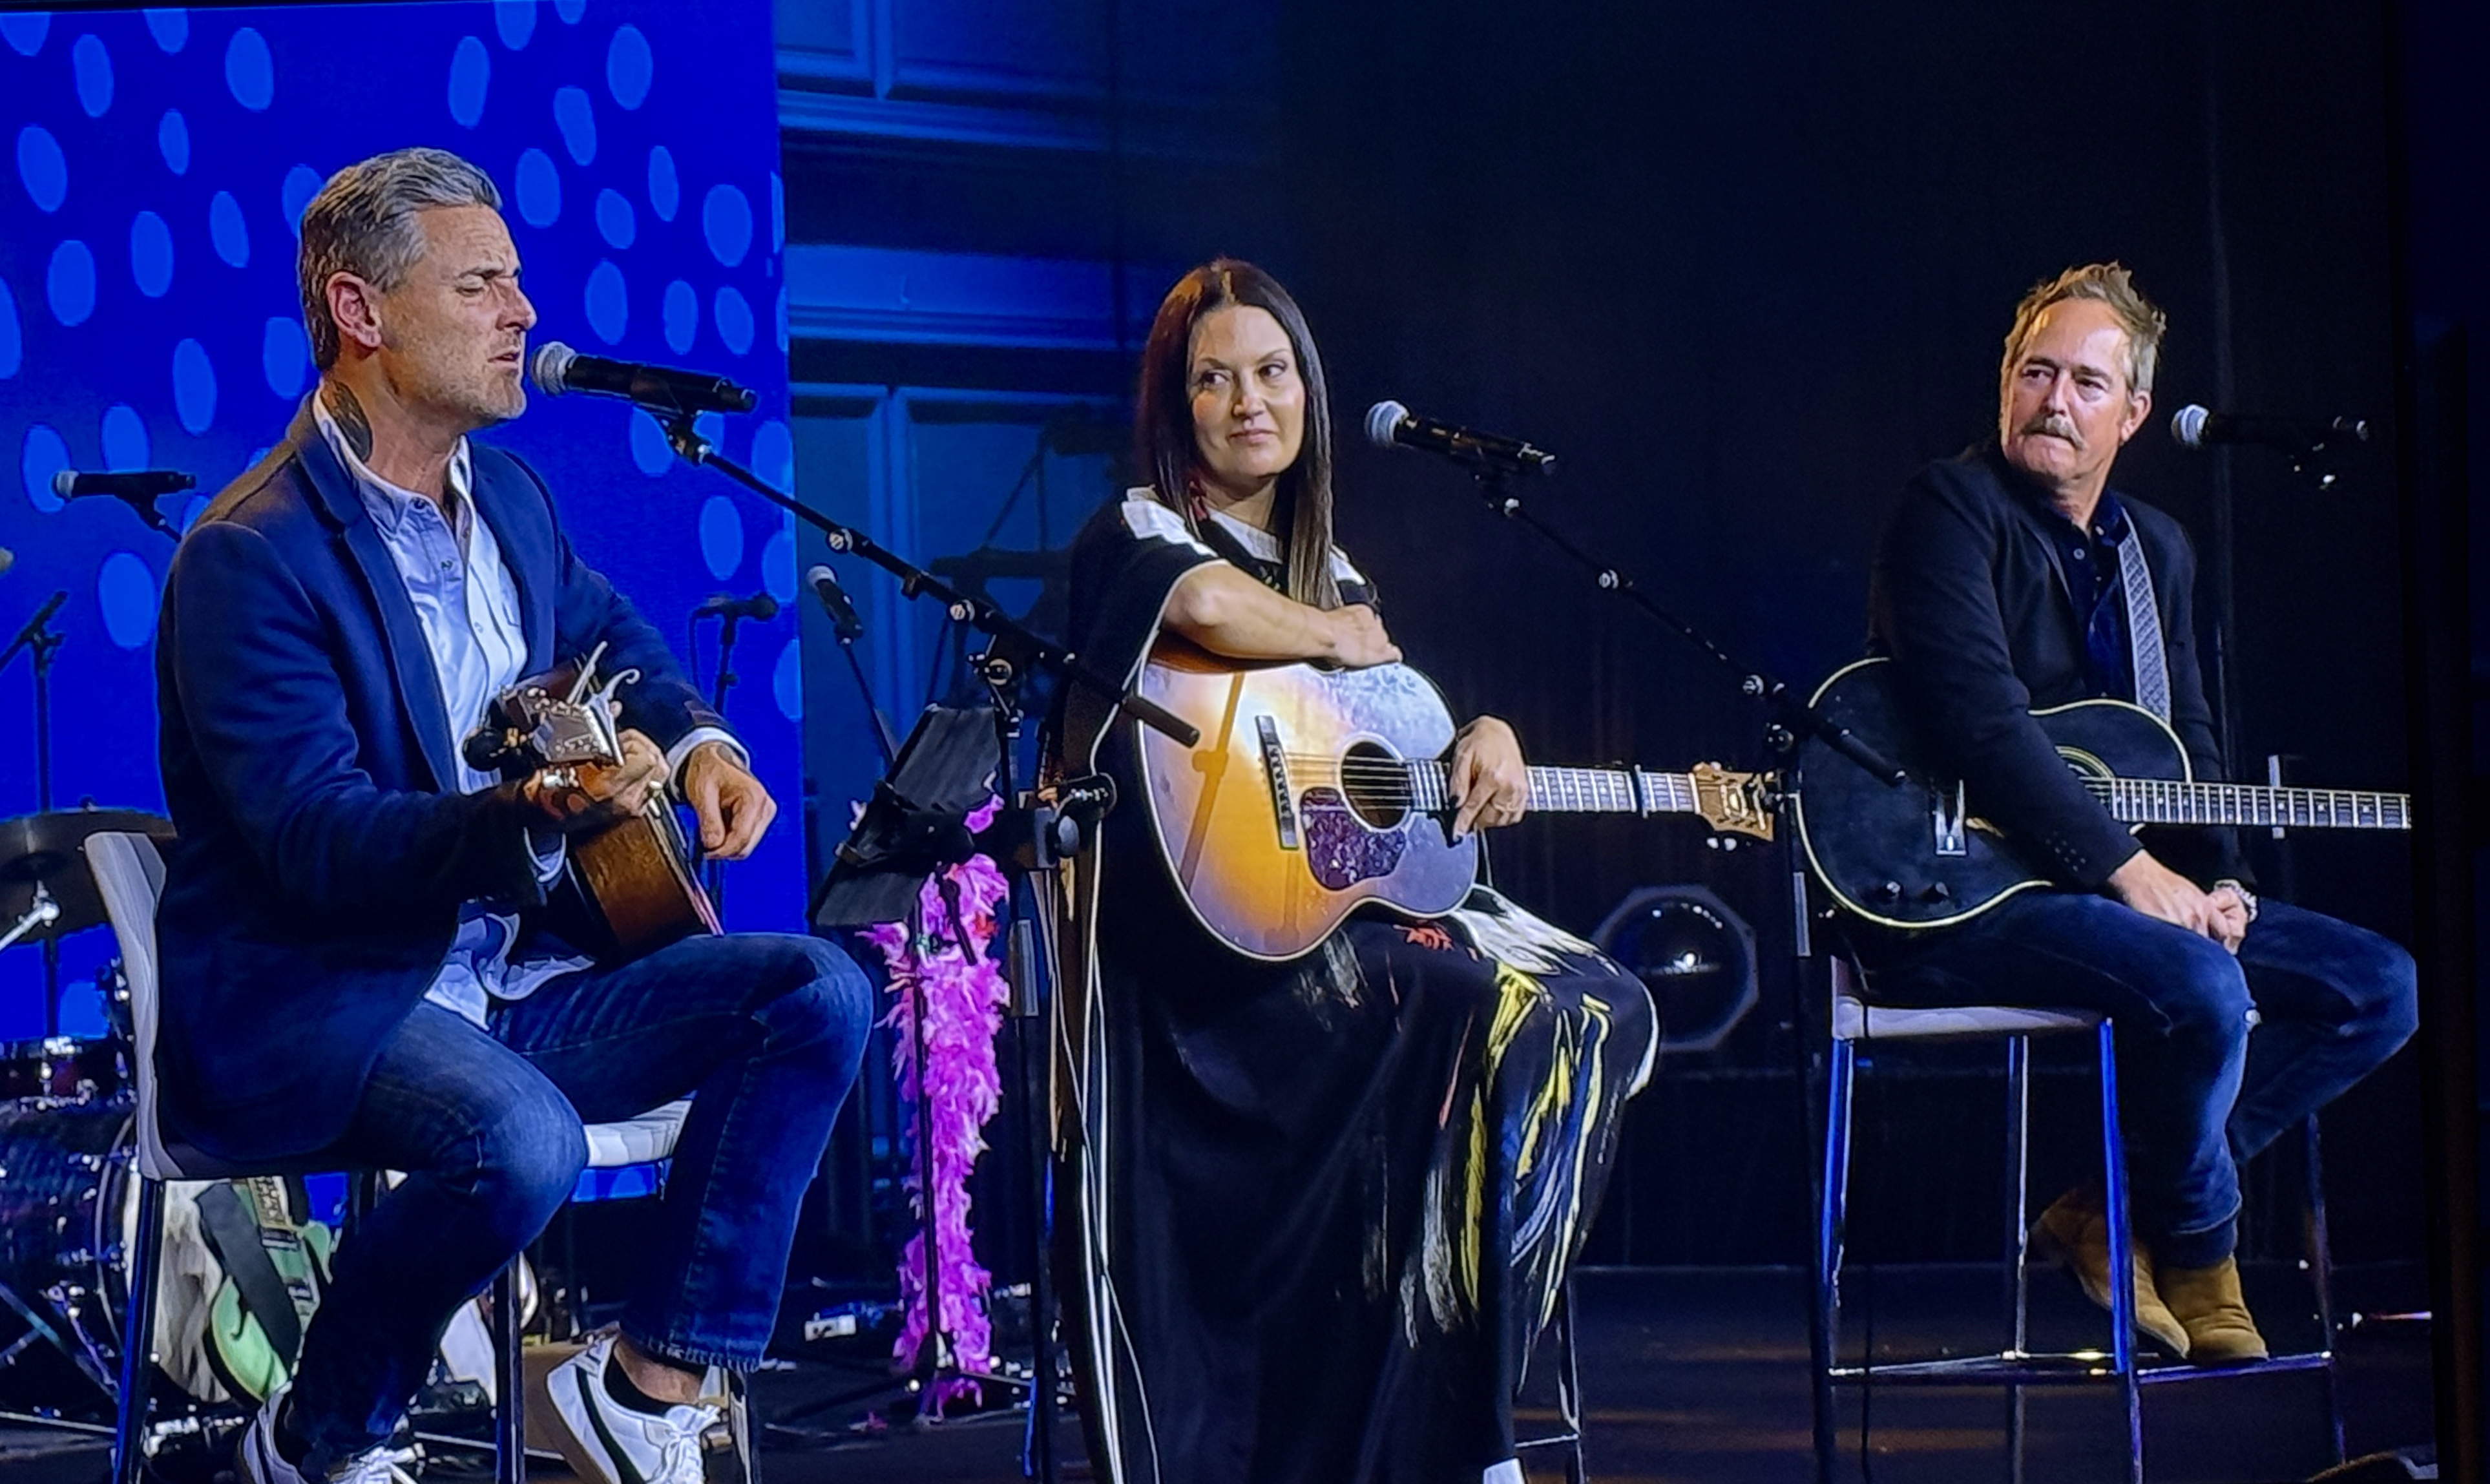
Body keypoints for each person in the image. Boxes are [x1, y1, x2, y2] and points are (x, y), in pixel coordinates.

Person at [152, 147, 873, 1484]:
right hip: (329, 999)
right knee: (520, 1138)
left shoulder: (515, 505)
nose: (524, 313)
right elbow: (316, 840)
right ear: (361, 311)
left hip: (513, 987)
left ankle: (647, 1389)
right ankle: (311, 1442)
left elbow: (614, 640)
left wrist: (698, 742)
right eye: (481, 284)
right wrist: (526, 815)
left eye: (518, 281)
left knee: (815, 991)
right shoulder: (248, 554)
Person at [1043, 258, 1657, 1484]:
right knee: (1471, 999)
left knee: (1600, 1006)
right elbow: (1204, 606)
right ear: (1174, 404)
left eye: (1272, 372)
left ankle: (1458, 1375)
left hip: (1339, 934)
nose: (1248, 402)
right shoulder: (1138, 529)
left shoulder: (1338, 572)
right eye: (1214, 379)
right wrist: (1328, 633)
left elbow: (1393, 752)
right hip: (1211, 984)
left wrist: (1484, 737)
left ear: (1309, 392)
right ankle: (1456, 1432)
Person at [1855, 262, 2418, 1363]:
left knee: (2379, 988)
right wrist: (2132, 872)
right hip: (1959, 890)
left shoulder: (2154, 548)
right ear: (2005, 384)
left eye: (2085, 382)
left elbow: (2187, 739)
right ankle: (2201, 1247)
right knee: (2203, 987)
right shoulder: (1948, 508)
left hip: (2116, 893)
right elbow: (1981, 724)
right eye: (2035, 374)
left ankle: (2113, 1207)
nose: (2053, 401)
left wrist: (2221, 879)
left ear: (2134, 412)